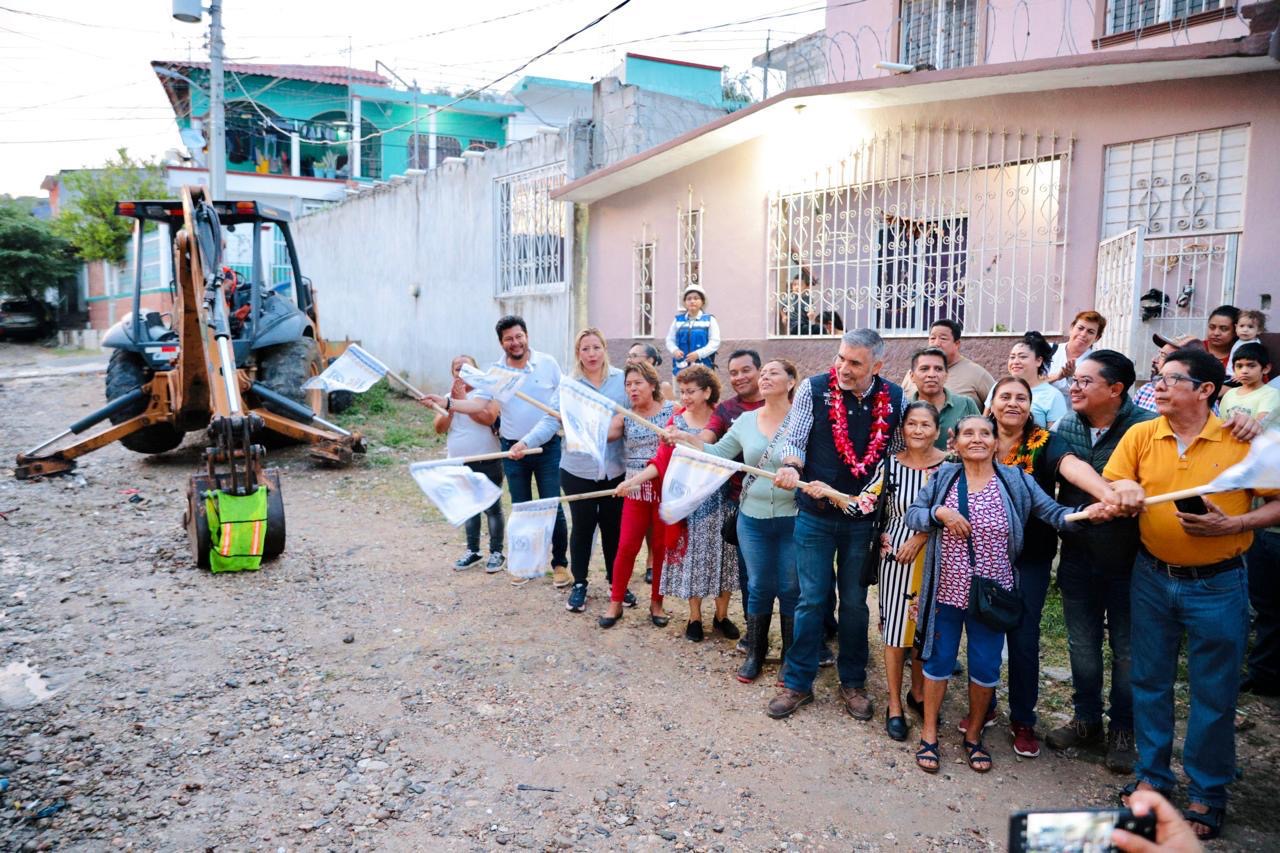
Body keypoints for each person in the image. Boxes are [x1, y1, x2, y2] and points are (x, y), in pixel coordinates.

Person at [1104, 346, 1280, 840]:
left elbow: (1276, 502)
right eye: (1157, 378)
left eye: (1170, 379)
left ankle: (1207, 789)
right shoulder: (1143, 433)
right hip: (1153, 578)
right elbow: (1114, 480)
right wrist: (1121, 493)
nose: (1156, 386)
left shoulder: (1242, 439)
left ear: (1205, 389)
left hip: (1219, 583)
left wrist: (1237, 522)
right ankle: (1153, 779)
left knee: (1214, 693)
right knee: (1151, 682)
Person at [904, 415, 1105, 774]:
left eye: (985, 434)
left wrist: (1087, 514)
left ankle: (974, 736)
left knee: (984, 667)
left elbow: (1053, 513)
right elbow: (914, 515)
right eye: (968, 433)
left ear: (997, 443)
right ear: (956, 443)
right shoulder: (944, 478)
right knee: (936, 663)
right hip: (946, 591)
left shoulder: (1015, 480)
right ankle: (930, 732)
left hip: (993, 595)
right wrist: (940, 512)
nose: (977, 439)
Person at [987, 375, 1129, 759]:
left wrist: (1106, 494)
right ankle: (982, 705)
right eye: (1005, 397)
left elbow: (1071, 466)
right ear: (992, 402)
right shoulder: (978, 438)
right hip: (979, 558)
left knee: (1023, 639)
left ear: (1031, 405)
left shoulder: (1045, 443)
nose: (1013, 403)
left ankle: (1022, 720)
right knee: (983, 635)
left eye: (1021, 397)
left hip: (1029, 558)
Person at [767, 328, 906, 721]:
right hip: (814, 516)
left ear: (877, 366)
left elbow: (892, 456)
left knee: (856, 605)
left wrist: (874, 497)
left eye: (855, 362)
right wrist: (792, 466)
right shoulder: (814, 389)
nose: (844, 367)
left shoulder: (896, 398)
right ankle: (797, 682)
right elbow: (794, 439)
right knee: (811, 601)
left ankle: (853, 681)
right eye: (840, 358)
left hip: (861, 522)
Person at [1044, 351, 1155, 774]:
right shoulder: (1067, 426)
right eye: (1075, 380)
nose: (1074, 386)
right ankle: (1087, 719)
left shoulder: (1146, 428)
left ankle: (1124, 729)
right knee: (1082, 645)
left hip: (1132, 562)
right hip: (1078, 555)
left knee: (1127, 650)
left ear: (1115, 389)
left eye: (1086, 381)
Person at [673, 359, 800, 682]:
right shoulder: (745, 420)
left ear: (791, 381)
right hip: (752, 518)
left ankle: (789, 658)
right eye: (765, 372)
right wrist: (687, 440)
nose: (766, 377)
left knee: (789, 587)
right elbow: (717, 454)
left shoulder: (803, 419)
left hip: (794, 518)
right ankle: (755, 654)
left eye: (774, 372)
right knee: (757, 586)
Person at [427, 316, 568, 587]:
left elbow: (559, 405)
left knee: (552, 506)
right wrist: (447, 402)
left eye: (518, 336)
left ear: (526, 336)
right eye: (508, 339)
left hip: (547, 446)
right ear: (501, 343)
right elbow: (478, 404)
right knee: (522, 509)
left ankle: (560, 564)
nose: (515, 342)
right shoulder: (495, 373)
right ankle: (525, 565)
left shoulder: (548, 364)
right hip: (512, 450)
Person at [617, 365, 739, 642]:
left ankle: (721, 616)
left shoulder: (721, 419)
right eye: (681, 391)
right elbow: (661, 460)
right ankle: (695, 617)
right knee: (693, 559)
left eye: (691, 391)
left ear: (707, 391)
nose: (684, 397)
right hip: (688, 502)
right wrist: (635, 480)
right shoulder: (675, 421)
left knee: (723, 558)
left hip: (720, 499)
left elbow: (726, 451)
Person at [861, 400, 946, 741]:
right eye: (912, 424)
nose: (918, 430)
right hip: (895, 555)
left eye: (926, 425)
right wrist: (826, 492)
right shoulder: (890, 466)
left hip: (938, 555)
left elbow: (956, 511)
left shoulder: (950, 466)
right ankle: (894, 704)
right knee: (896, 630)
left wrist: (923, 536)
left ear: (937, 431)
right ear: (902, 429)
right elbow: (864, 501)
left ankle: (920, 693)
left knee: (926, 629)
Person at [599, 360, 673, 629]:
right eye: (628, 384)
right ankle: (615, 602)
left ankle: (657, 603)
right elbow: (603, 435)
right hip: (635, 490)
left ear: (652, 385)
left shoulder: (671, 412)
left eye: (638, 383)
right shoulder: (625, 416)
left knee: (661, 548)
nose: (632, 389)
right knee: (627, 546)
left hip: (665, 490)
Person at [561, 328, 627, 614]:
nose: (591, 354)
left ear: (604, 349)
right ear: (578, 353)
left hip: (616, 469)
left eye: (596, 347)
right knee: (583, 527)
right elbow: (552, 421)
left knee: (614, 529)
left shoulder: (621, 380)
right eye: (585, 349)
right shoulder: (569, 385)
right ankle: (580, 584)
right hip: (578, 470)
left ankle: (616, 583)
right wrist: (526, 442)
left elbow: (634, 413)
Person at [707, 349, 765, 633]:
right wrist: (689, 439)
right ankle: (753, 635)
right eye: (733, 373)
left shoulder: (781, 406)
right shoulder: (726, 410)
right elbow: (710, 437)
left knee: (791, 579)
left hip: (786, 503)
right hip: (740, 502)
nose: (739, 377)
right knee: (748, 574)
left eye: (745, 370)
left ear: (760, 371)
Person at [431, 355, 505, 572]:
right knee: (469, 507)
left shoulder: (488, 393)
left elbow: (488, 418)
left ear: (476, 371)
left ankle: (497, 552)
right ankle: (473, 551)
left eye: (466, 369)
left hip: (488, 459)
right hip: (459, 462)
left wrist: (463, 400)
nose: (461, 373)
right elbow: (439, 428)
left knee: (492, 507)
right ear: (452, 374)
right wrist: (453, 405)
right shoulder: (446, 398)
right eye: (457, 369)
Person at [900, 319, 995, 409]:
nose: (936, 343)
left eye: (943, 338)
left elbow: (996, 403)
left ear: (957, 344)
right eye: (932, 338)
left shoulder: (977, 374)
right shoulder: (914, 372)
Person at [984, 332, 1068, 429]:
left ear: (1038, 361)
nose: (1015, 362)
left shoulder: (1053, 396)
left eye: (1022, 357)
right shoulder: (998, 387)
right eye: (1012, 357)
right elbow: (985, 422)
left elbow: (1055, 438)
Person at [906, 346, 979, 449]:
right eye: (924, 369)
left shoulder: (966, 404)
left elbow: (980, 439)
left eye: (938, 369)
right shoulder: (904, 408)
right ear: (912, 376)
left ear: (946, 375)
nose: (931, 374)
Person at [665, 285, 720, 375]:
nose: (692, 301)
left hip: (702, 367)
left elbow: (714, 342)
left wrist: (698, 354)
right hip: (681, 367)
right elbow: (670, 339)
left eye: (696, 298)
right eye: (689, 299)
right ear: (685, 302)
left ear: (702, 301)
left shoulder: (709, 320)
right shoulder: (678, 320)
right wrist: (675, 350)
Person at [1048, 310, 1106, 394]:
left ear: (1096, 338)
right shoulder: (1049, 350)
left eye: (1090, 332)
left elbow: (1092, 394)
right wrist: (1057, 376)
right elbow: (1031, 381)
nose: (1083, 334)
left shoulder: (1095, 362)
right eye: (1080, 328)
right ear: (1071, 328)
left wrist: (1072, 377)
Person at [1219, 342, 1278, 424]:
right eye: (1239, 366)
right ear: (1233, 369)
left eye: (1251, 365)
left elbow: (1261, 425)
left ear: (1266, 368)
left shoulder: (1271, 394)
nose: (1244, 371)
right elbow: (1221, 422)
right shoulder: (1229, 394)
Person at [1202, 304, 1239, 371]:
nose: (1216, 333)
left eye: (1224, 329)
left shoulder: (1243, 355)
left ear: (1236, 331)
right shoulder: (1195, 348)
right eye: (1212, 327)